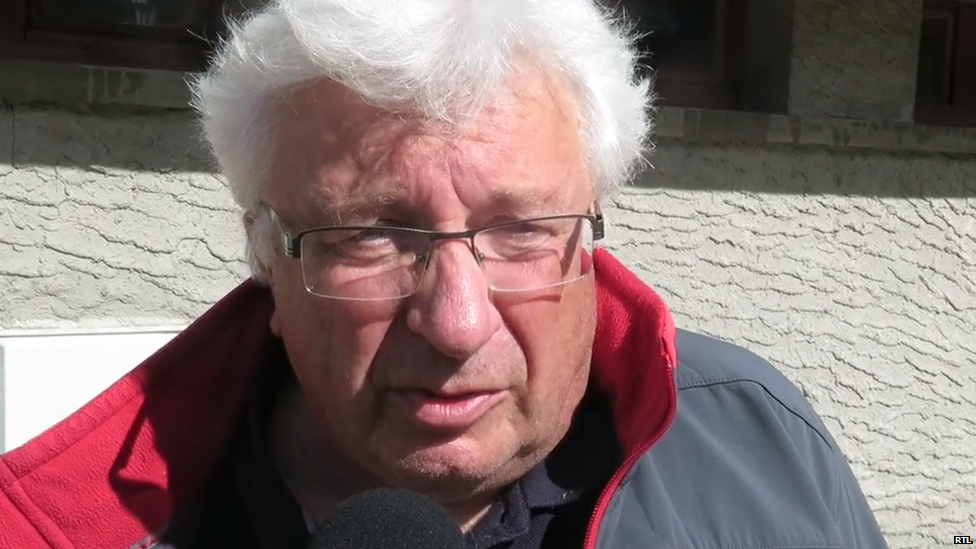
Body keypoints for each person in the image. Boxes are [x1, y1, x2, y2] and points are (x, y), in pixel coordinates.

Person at [0, 1, 890, 548]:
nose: (457, 321)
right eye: (372, 236)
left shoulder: (763, 440)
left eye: (525, 230)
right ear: (267, 255)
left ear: (589, 240)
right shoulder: (67, 525)